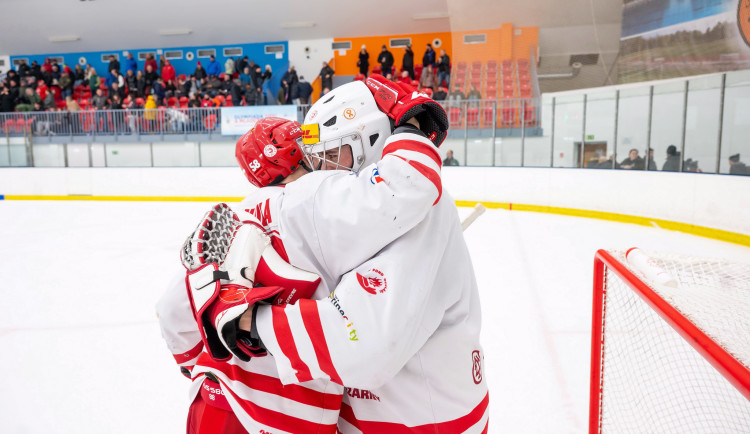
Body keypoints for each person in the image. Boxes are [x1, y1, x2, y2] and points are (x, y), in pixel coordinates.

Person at [158, 78, 486, 433]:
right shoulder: (334, 204)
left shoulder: (251, 212)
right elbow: (403, 186)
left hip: (410, 418)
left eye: (332, 153)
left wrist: (235, 338)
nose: (323, 168)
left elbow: (174, 312)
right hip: (388, 415)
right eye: (318, 155)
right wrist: (414, 126)